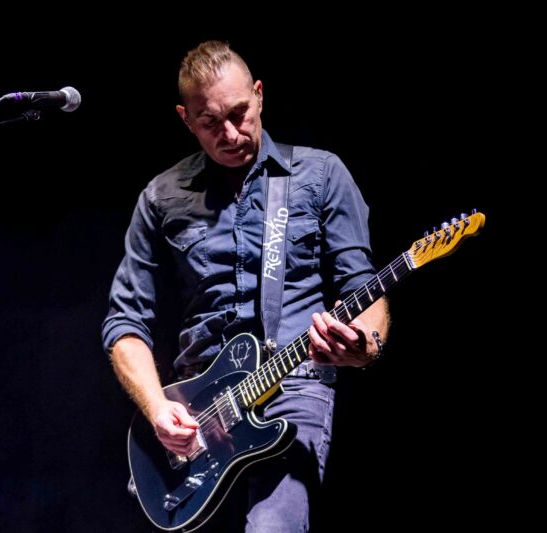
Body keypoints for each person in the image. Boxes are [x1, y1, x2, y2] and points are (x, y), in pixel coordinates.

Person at [102, 40, 390, 532]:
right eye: (210, 122)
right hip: (199, 413)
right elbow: (125, 324)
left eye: (239, 113)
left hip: (292, 384)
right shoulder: (161, 197)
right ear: (186, 119)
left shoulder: (320, 174)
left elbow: (364, 286)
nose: (231, 134)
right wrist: (157, 408)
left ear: (259, 95)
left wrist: (365, 345)